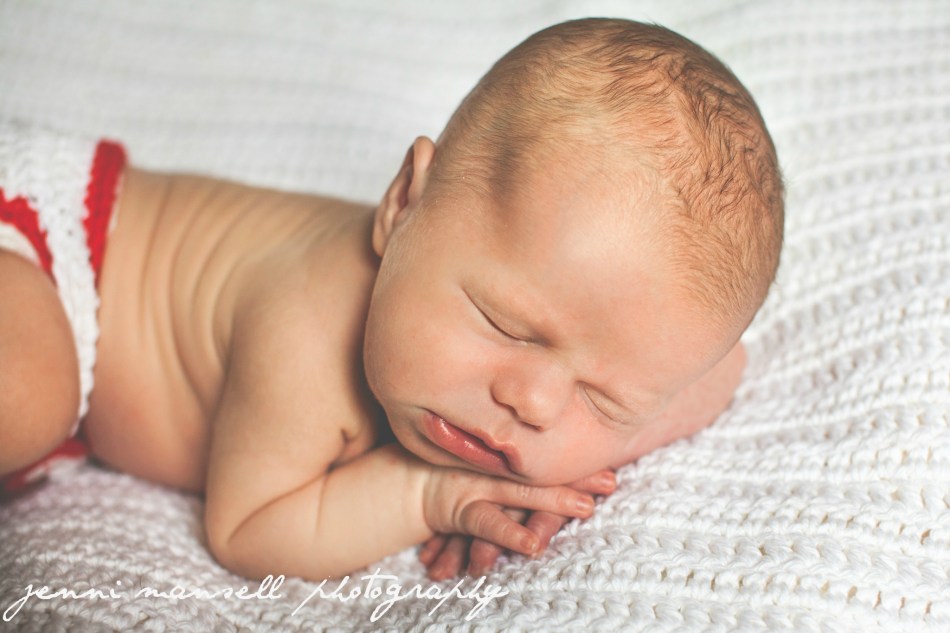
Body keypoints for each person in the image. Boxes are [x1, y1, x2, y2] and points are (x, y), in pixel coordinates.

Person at [0, 17, 783, 581]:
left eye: (604, 397)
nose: (534, 402)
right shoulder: (305, 322)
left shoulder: (574, 360)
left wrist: (567, 469)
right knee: (25, 396)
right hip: (45, 242)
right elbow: (247, 529)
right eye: (503, 323)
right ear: (402, 204)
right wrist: (436, 491)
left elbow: (721, 367)